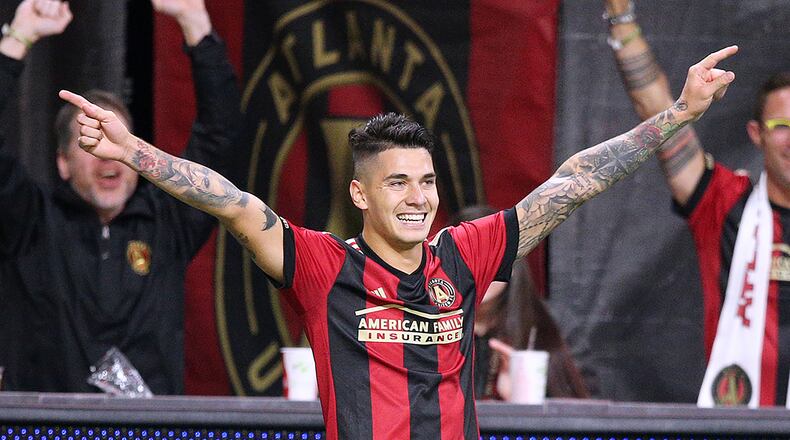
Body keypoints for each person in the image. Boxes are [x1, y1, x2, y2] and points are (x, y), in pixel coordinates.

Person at [59, 42, 735, 438]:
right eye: (398, 184)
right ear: (360, 195)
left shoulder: (463, 256)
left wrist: (677, 115)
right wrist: (135, 149)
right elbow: (232, 205)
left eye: (427, 181)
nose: (418, 198)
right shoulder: (323, 266)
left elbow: (573, 182)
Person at [0, 0, 241, 394]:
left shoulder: (168, 223)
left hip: (150, 430)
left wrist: (194, 21)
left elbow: (221, 138)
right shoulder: (30, 220)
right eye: (90, 139)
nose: (105, 154)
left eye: (116, 141)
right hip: (49, 429)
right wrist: (19, 36)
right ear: (62, 162)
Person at [604, 0, 790, 407]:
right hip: (739, 425)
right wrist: (621, 18)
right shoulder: (724, 203)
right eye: (782, 127)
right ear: (756, 134)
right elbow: (656, 115)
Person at [450, 205, 589, 400]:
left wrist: (520, 399)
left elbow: (572, 421)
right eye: (465, 258)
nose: (479, 271)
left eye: (490, 258)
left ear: (512, 266)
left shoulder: (538, 336)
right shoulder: (422, 333)